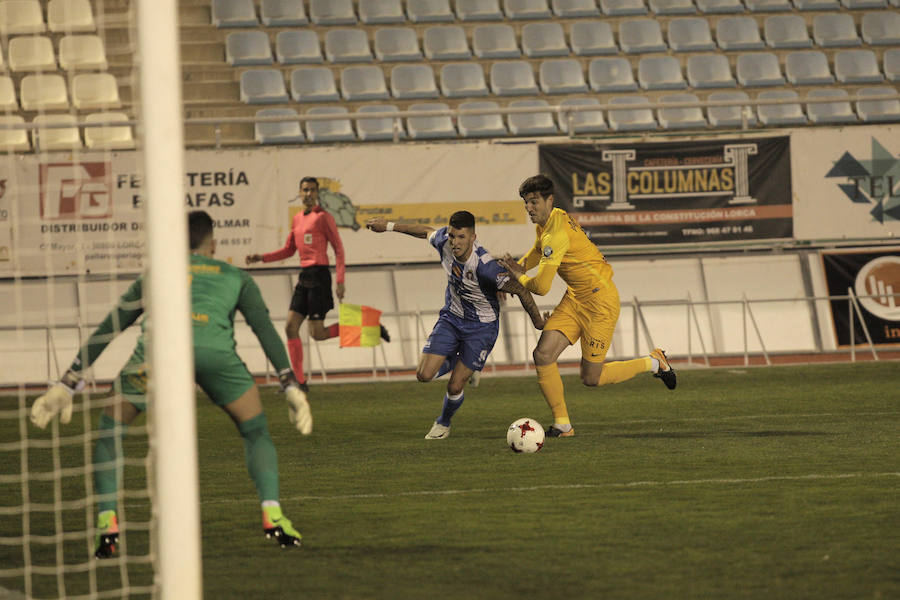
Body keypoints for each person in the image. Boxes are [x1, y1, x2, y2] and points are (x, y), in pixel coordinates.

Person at [30, 210, 313, 557]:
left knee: (110, 428)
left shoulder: (155, 275)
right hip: (214, 357)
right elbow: (265, 330)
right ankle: (272, 512)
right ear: (214, 245)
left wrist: (68, 382)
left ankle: (107, 522)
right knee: (254, 430)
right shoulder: (235, 276)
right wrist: (291, 384)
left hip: (157, 355)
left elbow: (110, 326)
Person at [499, 175, 676, 438]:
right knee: (543, 355)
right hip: (575, 299)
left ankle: (653, 362)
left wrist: (519, 277)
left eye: (534, 202)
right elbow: (538, 250)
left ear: (550, 200)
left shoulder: (556, 234)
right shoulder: (551, 220)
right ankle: (563, 425)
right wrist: (519, 267)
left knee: (591, 378)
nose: (529, 208)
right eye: (526, 203)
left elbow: (541, 287)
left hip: (600, 303)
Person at [366, 211, 547, 440]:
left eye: (461, 237)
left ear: (473, 237)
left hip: (481, 329)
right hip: (452, 319)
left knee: (454, 386)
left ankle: (443, 423)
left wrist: (539, 321)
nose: (455, 242)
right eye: (452, 236)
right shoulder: (444, 242)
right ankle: (465, 364)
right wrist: (389, 226)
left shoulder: (486, 267)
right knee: (423, 375)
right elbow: (426, 232)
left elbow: (520, 289)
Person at [246, 176, 389, 390]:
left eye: (312, 190)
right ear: (300, 192)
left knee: (317, 334)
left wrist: (340, 280)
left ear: (317, 193)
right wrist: (262, 258)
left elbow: (338, 249)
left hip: (320, 277)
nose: (308, 194)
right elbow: (289, 250)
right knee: (290, 327)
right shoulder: (297, 219)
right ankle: (298, 382)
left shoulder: (323, 217)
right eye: (304, 190)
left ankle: (370, 326)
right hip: (305, 277)